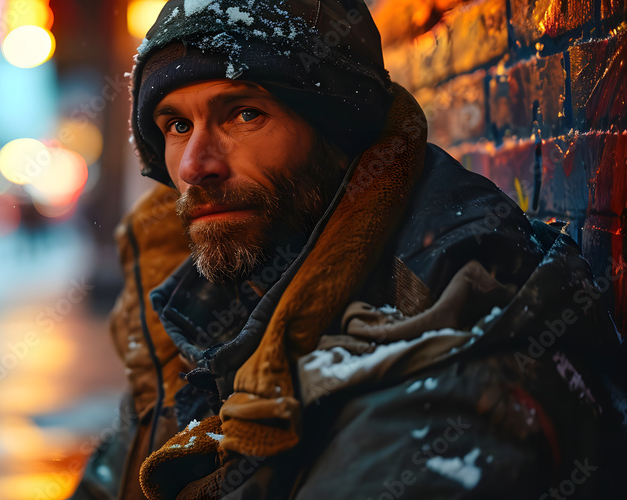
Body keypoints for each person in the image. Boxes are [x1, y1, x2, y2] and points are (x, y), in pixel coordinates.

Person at [72, 1, 626, 498]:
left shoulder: (457, 341)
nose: (195, 165)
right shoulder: (211, 302)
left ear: (338, 130)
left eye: (245, 114)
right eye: (174, 125)